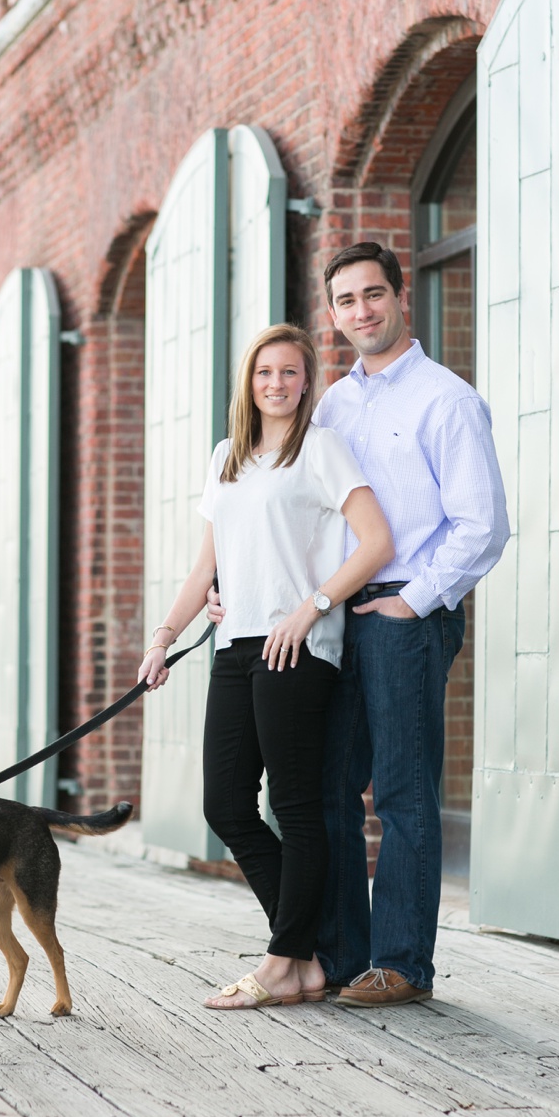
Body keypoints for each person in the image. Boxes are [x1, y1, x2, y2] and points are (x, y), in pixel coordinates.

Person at [139, 323, 394, 1010]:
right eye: (264, 373)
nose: (276, 384)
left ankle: (285, 960)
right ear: (248, 384)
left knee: (294, 806)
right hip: (235, 645)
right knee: (223, 803)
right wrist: (164, 636)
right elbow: (206, 566)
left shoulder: (321, 448)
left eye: (289, 373)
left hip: (298, 647)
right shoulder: (228, 456)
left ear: (307, 382)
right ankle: (304, 957)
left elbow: (375, 543)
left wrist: (311, 608)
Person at [314, 241, 509, 1006]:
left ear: (401, 298)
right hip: (340, 609)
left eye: (373, 295)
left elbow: (481, 525)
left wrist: (413, 601)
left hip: (406, 612)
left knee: (400, 791)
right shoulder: (332, 403)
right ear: (332, 316)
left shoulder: (446, 399)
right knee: (330, 783)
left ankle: (400, 962)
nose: (361, 311)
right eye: (346, 301)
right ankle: (342, 954)